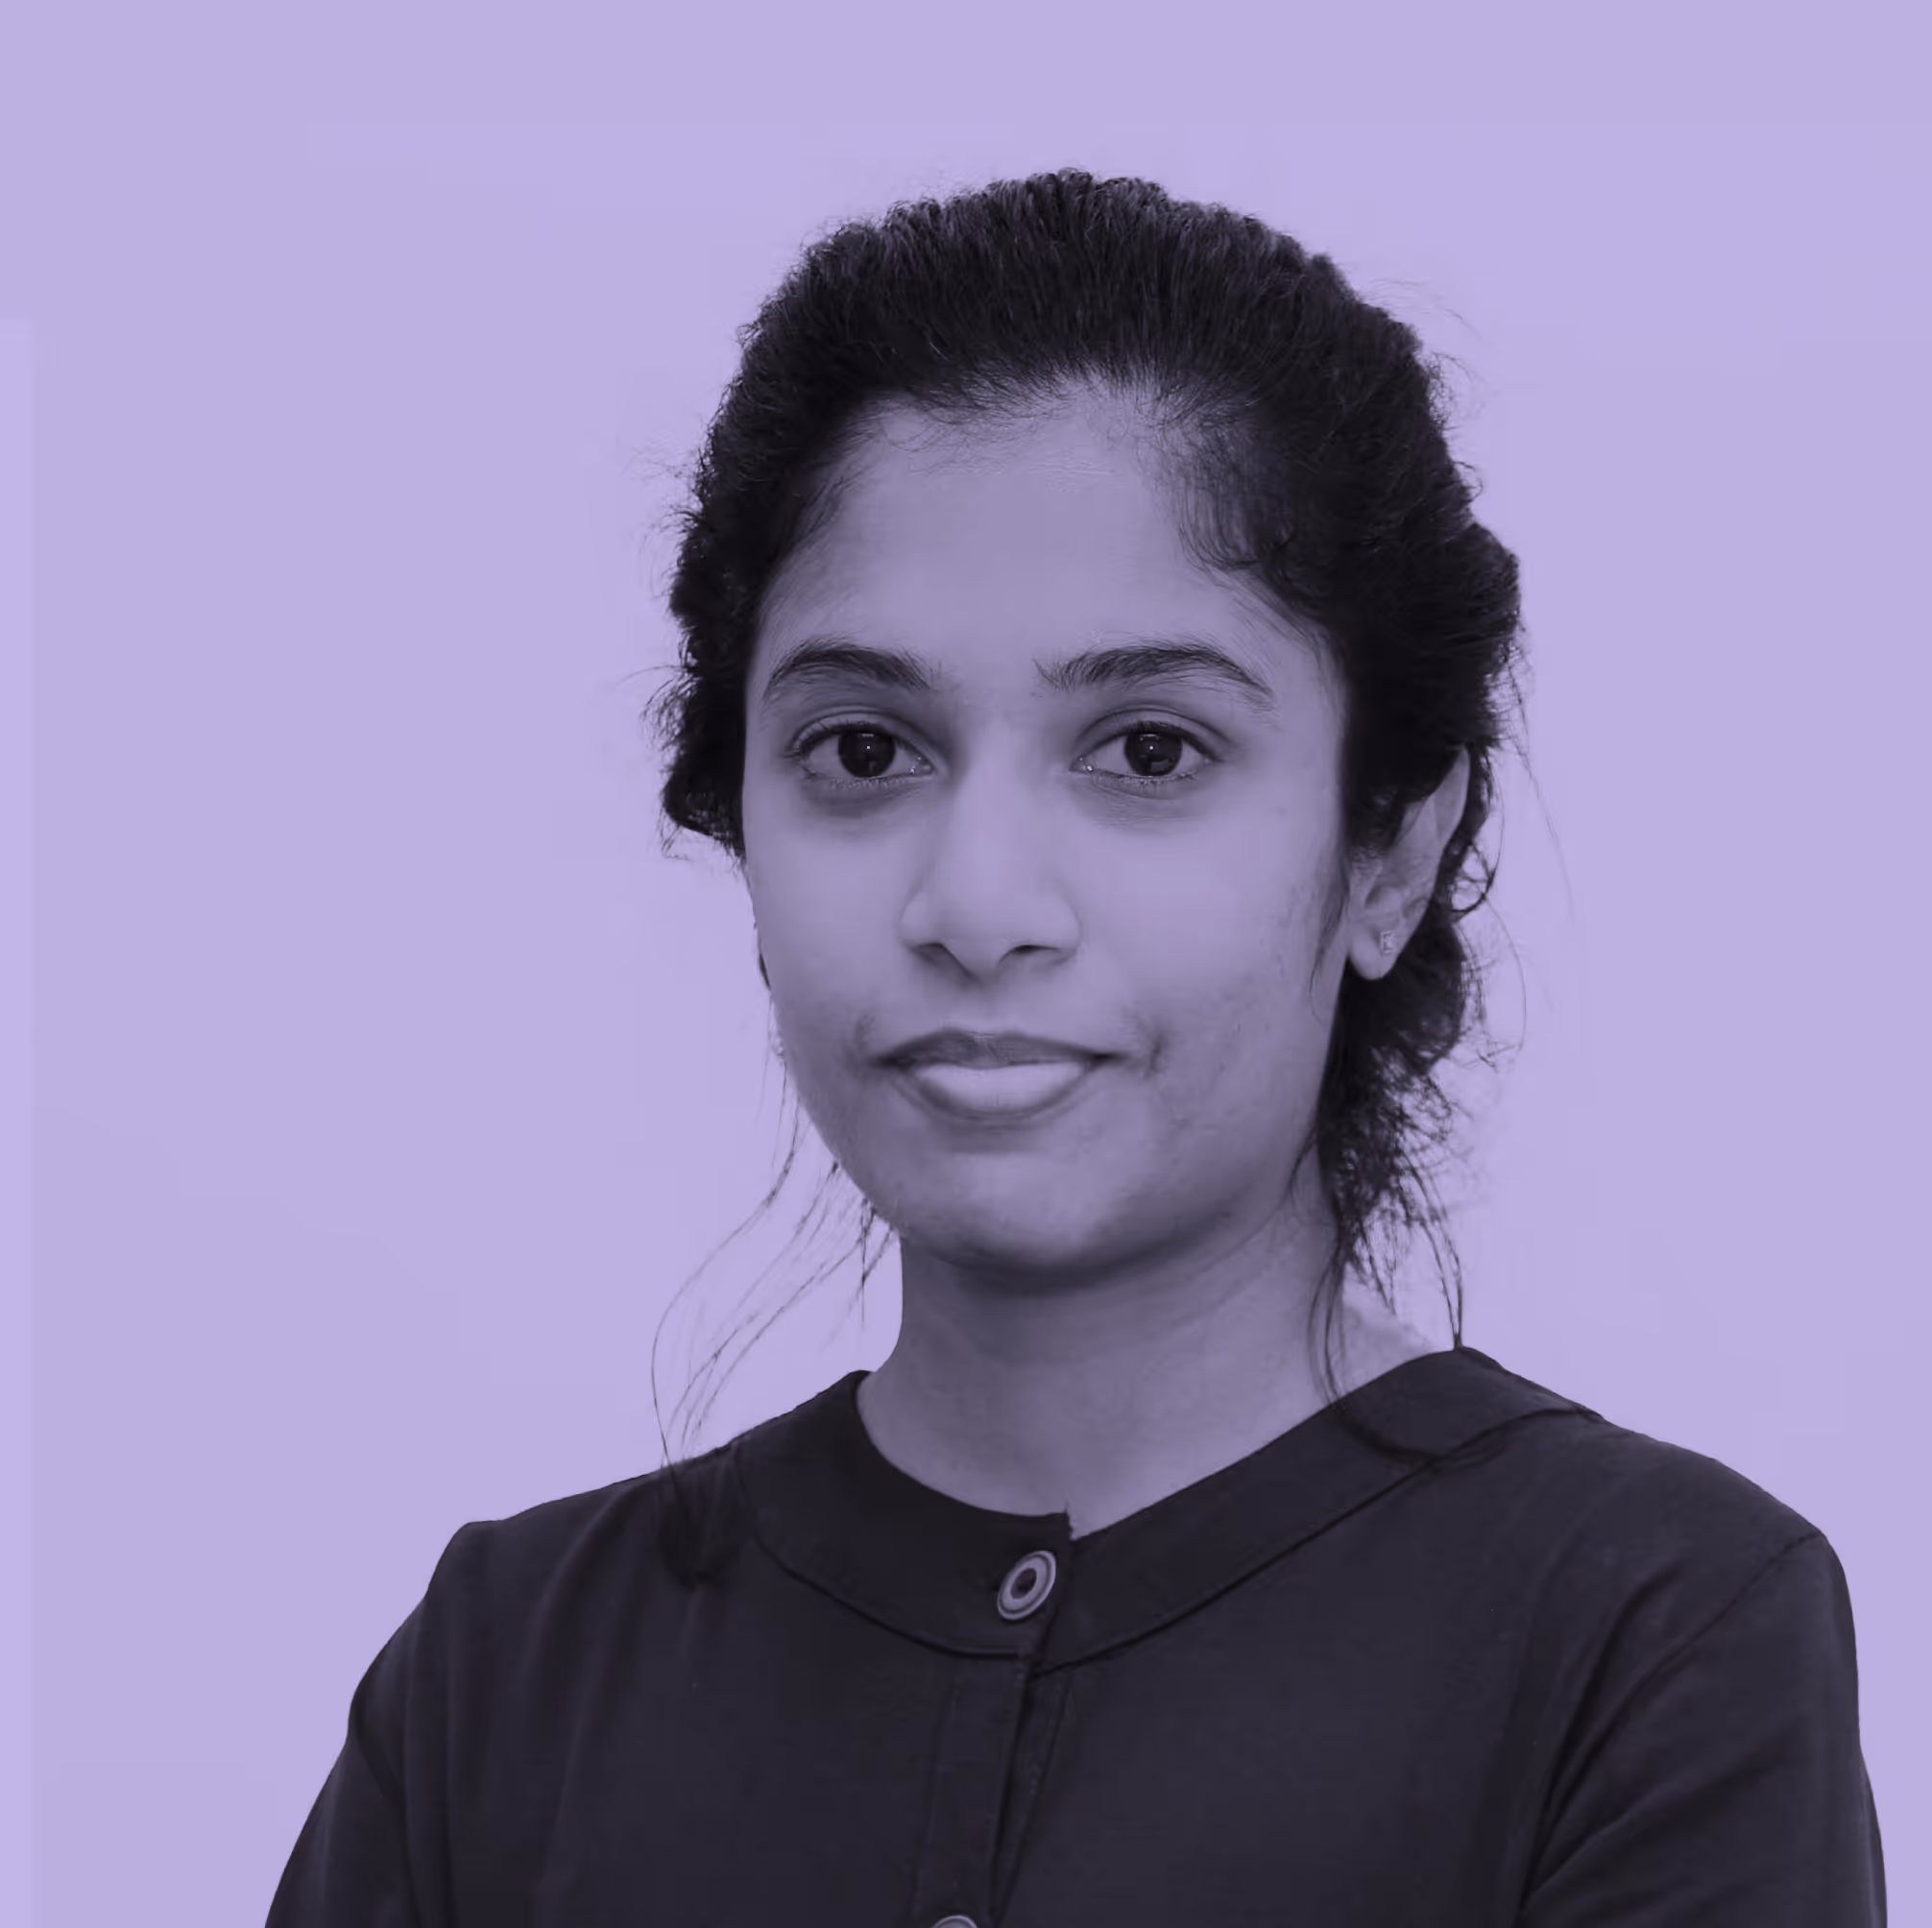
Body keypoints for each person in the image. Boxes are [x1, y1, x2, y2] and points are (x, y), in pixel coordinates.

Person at [267, 170, 1886, 1925]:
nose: (977, 904)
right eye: (864, 752)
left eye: (1149, 751)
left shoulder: (1646, 1638)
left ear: (1389, 853)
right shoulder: (504, 1680)